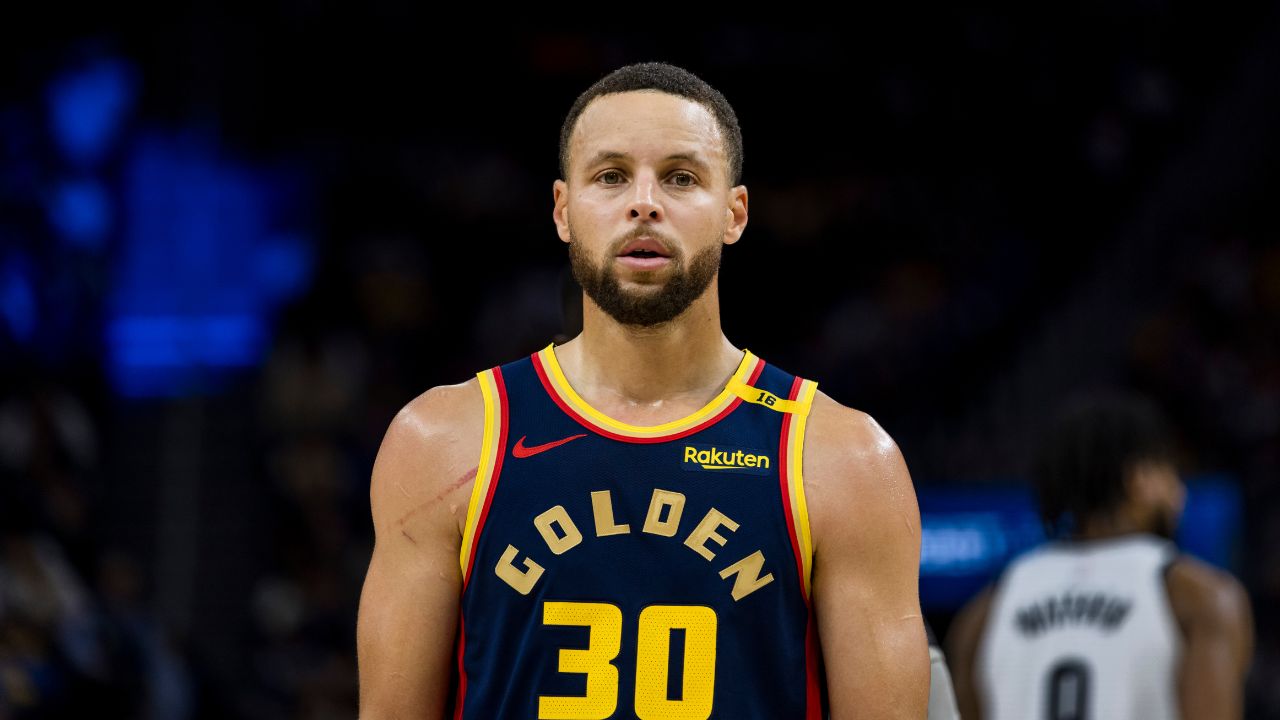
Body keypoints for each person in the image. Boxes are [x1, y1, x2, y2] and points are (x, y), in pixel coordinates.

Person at [355, 61, 929, 719]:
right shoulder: (443, 439)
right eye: (611, 177)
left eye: (681, 178)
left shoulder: (844, 459)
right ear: (563, 211)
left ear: (734, 214)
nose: (645, 202)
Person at [946, 392, 1254, 720]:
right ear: (1141, 479)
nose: (1180, 493)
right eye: (1170, 473)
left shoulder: (983, 613)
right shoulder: (1200, 597)